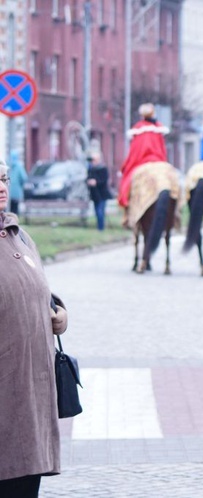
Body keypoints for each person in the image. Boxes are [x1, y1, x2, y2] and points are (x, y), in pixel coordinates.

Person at [0, 161, 69, 497]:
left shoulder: (19, 234)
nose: (1, 186)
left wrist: (58, 310)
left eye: (3, 178)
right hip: (4, 389)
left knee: (27, 479)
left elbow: (37, 287)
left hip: (31, 391)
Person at [118, 103, 169, 224]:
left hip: (140, 162)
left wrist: (126, 166)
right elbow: (162, 149)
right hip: (158, 160)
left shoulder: (137, 129)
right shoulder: (158, 128)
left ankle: (127, 213)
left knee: (127, 183)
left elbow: (134, 152)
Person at [86, 150, 111, 231]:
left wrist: (96, 182)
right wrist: (88, 181)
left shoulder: (103, 168)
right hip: (94, 195)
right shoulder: (90, 169)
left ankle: (101, 228)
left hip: (102, 194)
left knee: (100, 211)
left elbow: (104, 180)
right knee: (96, 212)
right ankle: (99, 227)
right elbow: (87, 178)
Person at [8, 150, 27, 214]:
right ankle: (14, 222)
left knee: (7, 210)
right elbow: (24, 178)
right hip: (16, 192)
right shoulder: (19, 166)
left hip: (7, 192)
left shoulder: (7, 165)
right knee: (14, 210)